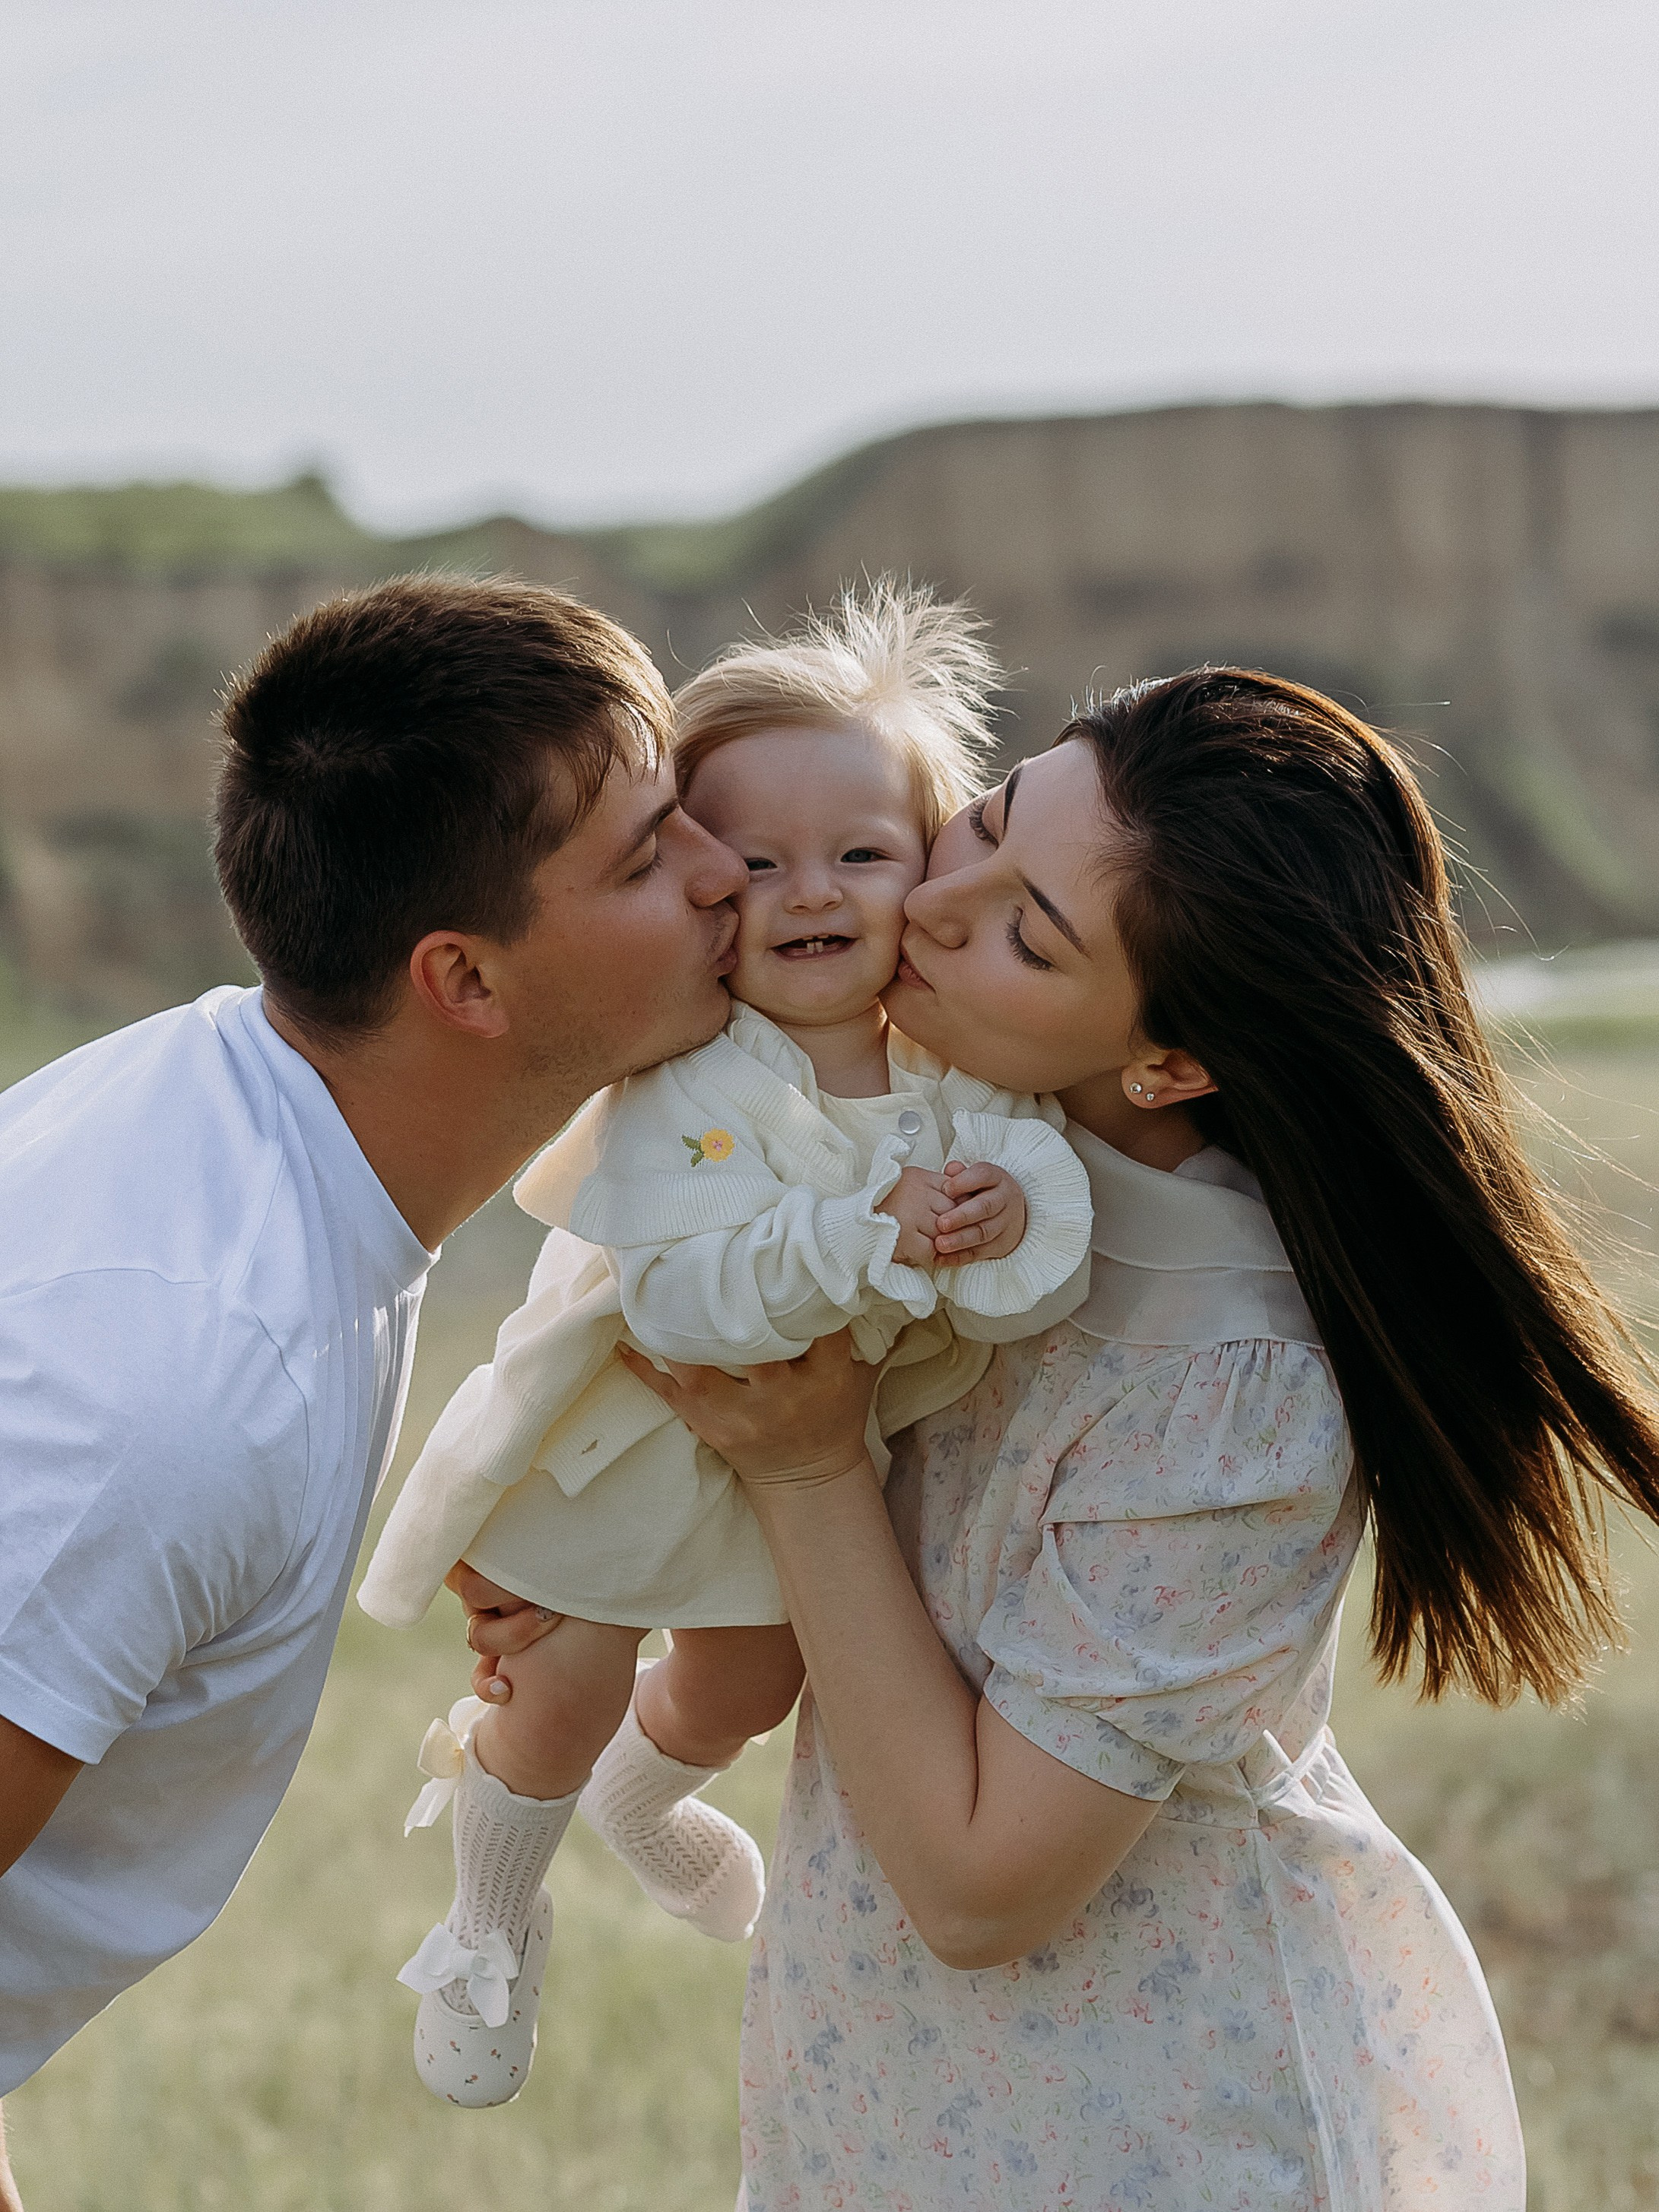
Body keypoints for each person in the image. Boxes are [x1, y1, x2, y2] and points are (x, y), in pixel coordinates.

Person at [469, 668, 1659, 2209]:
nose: (928, 901)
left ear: (1167, 1061)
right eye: (981, 820)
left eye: (1026, 935)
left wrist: (804, 1465)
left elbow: (981, 1890)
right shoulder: (938, 1140)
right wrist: (566, 1573)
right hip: (878, 2084)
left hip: (1148, 2125)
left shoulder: (1230, 1392)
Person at [0, 575, 748, 2204]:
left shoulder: (227, 1115)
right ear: (462, 981)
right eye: (646, 858)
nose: (725, 873)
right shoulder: (185, 1389)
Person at [360, 585, 1094, 2107]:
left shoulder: (949, 1068)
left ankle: (644, 1791)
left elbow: (1018, 1242)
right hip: (629, 1439)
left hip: (803, 1463)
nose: (807, 891)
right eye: (756, 863)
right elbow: (687, 1304)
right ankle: (489, 1920)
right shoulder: (686, 1075)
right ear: (699, 884)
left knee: (750, 1682)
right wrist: (874, 1232)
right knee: (554, 1691)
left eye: (861, 855)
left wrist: (1004, 1219)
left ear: (928, 866)